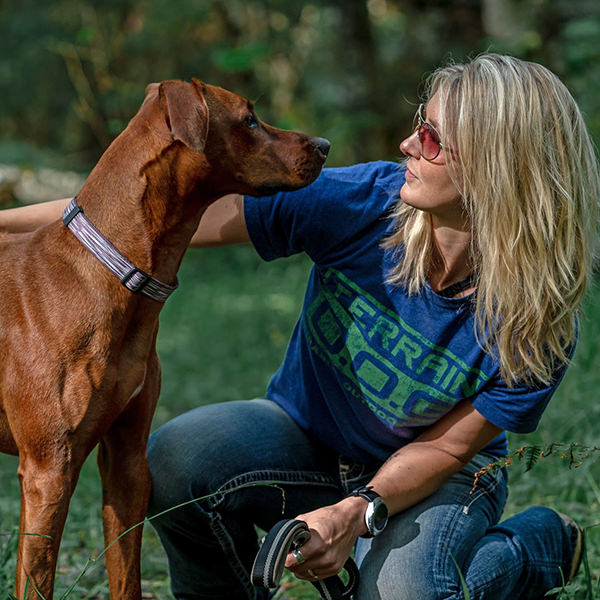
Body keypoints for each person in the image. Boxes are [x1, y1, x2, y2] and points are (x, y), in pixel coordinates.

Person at [1, 53, 597, 599]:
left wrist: (356, 512)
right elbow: (121, 219)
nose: (407, 142)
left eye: (433, 138)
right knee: (180, 458)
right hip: (306, 442)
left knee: (407, 595)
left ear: (500, 168)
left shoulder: (535, 315)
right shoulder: (364, 203)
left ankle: (530, 551)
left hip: (436, 481)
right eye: (420, 122)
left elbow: (445, 446)